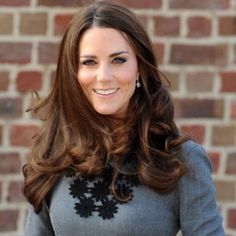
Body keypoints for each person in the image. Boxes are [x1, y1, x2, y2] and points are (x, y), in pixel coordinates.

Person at [23, 1, 224, 235]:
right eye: (89, 62)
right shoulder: (53, 154)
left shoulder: (182, 160)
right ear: (73, 73)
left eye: (118, 60)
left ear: (139, 67)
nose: (103, 76)